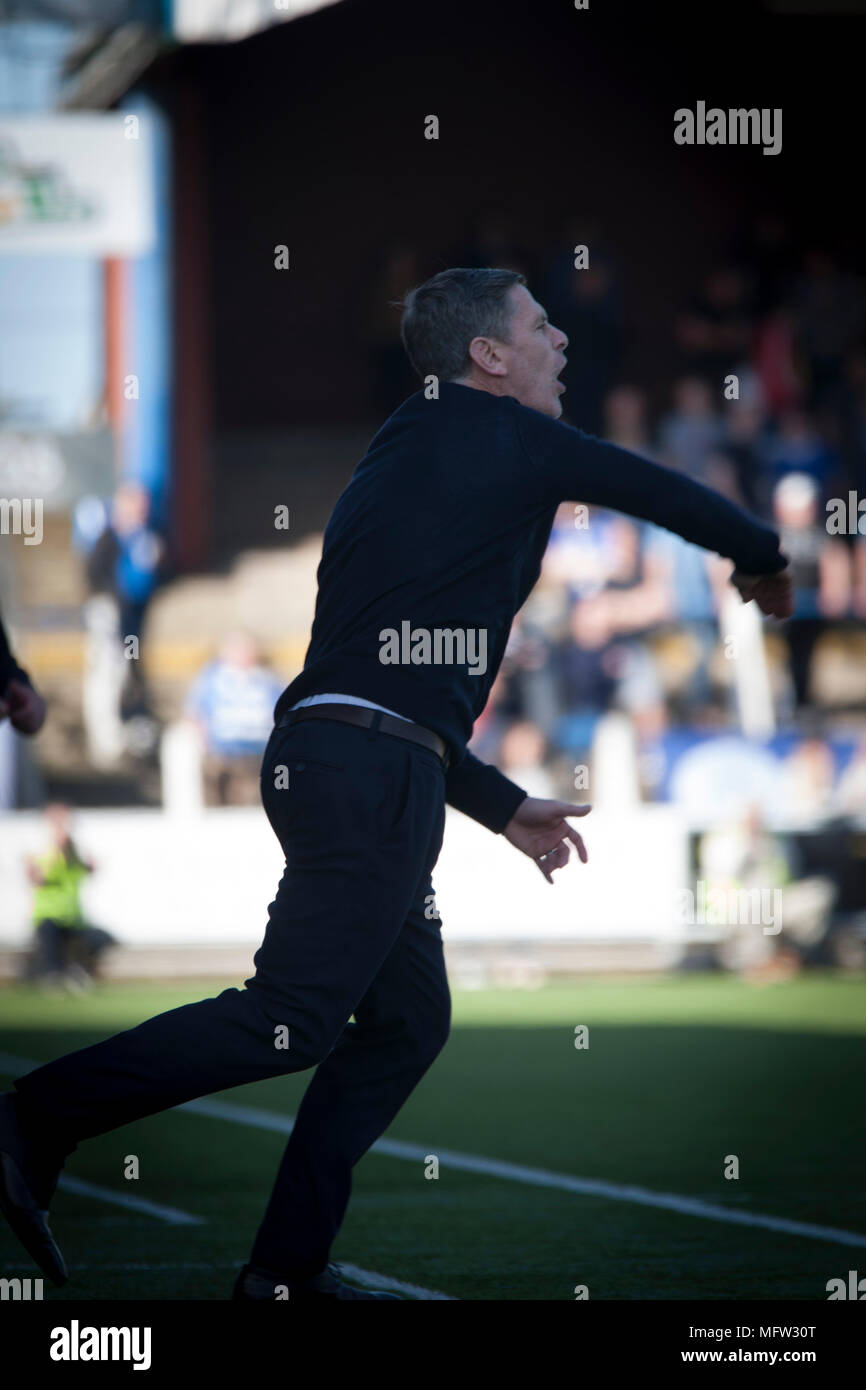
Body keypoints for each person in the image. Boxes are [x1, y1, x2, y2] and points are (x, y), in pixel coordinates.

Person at [0, 267, 793, 1302]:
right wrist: (763, 557)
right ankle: (31, 1120)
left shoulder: (398, 452)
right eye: (541, 326)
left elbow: (381, 684)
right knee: (289, 1014)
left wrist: (502, 807)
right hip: (366, 773)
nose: (562, 342)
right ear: (487, 356)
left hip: (353, 760)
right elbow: (651, 487)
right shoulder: (501, 435)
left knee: (406, 1019)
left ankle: (284, 1269)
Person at [24, 804, 114, 988]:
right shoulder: (44, 853)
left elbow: (90, 869)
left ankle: (76, 970)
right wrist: (55, 853)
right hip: (49, 917)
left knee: (101, 939)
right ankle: (54, 976)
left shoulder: (74, 855)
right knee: (52, 953)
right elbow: (37, 878)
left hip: (72, 918)